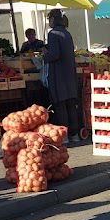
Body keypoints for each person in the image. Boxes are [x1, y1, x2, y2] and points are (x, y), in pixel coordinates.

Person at [43, 8, 81, 145]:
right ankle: (74, 134)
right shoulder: (67, 33)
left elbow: (55, 54)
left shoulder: (53, 33)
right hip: (69, 74)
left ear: (53, 19)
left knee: (60, 105)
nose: (48, 22)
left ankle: (63, 136)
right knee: (71, 104)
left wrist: (44, 56)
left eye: (49, 19)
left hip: (58, 75)